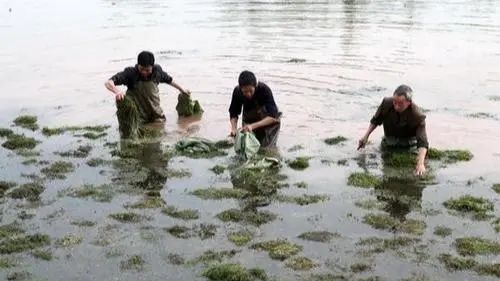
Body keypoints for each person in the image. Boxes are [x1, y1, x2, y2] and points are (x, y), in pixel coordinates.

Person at [358, 85, 429, 176]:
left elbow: (422, 141)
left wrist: (420, 164)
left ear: (409, 103)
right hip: (389, 139)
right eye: (394, 102)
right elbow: (376, 120)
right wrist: (365, 136)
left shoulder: (417, 115)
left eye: (400, 104)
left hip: (408, 142)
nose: (396, 106)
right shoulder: (386, 103)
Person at [105, 51, 190, 124]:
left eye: (147, 70)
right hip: (138, 118)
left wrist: (182, 90)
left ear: (152, 67)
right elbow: (108, 82)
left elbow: (170, 80)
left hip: (156, 116)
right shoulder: (130, 73)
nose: (144, 72)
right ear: (138, 65)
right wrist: (117, 91)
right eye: (141, 69)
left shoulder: (157, 72)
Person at [228, 71, 281, 148]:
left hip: (269, 123)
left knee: (267, 149)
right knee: (248, 147)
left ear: (255, 86)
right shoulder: (237, 92)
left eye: (251, 91)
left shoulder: (264, 90)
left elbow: (273, 116)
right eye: (245, 92)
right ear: (240, 88)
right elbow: (233, 112)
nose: (248, 94)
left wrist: (252, 126)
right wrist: (234, 129)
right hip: (249, 121)